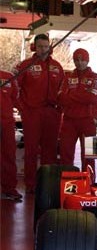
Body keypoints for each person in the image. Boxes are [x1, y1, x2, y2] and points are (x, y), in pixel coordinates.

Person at [13, 33, 65, 193]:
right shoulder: (25, 65)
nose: (43, 49)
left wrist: (60, 108)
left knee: (49, 151)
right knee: (31, 149)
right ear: (35, 47)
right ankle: (31, 185)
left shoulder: (57, 66)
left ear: (50, 46)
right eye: (40, 46)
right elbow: (14, 90)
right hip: (32, 113)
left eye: (46, 46)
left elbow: (64, 90)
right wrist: (23, 108)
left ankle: (46, 184)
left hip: (52, 113)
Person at [58, 48, 97, 169]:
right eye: (76, 60)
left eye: (82, 60)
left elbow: (92, 98)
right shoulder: (67, 77)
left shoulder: (96, 77)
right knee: (65, 152)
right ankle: (67, 182)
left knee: (88, 155)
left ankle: (88, 184)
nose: (79, 63)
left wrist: (71, 95)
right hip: (69, 120)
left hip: (88, 121)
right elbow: (61, 98)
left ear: (87, 60)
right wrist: (82, 95)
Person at [0, 70, 21, 201]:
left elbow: (15, 99)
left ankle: (9, 189)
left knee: (9, 155)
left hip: (7, 122)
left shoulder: (8, 77)